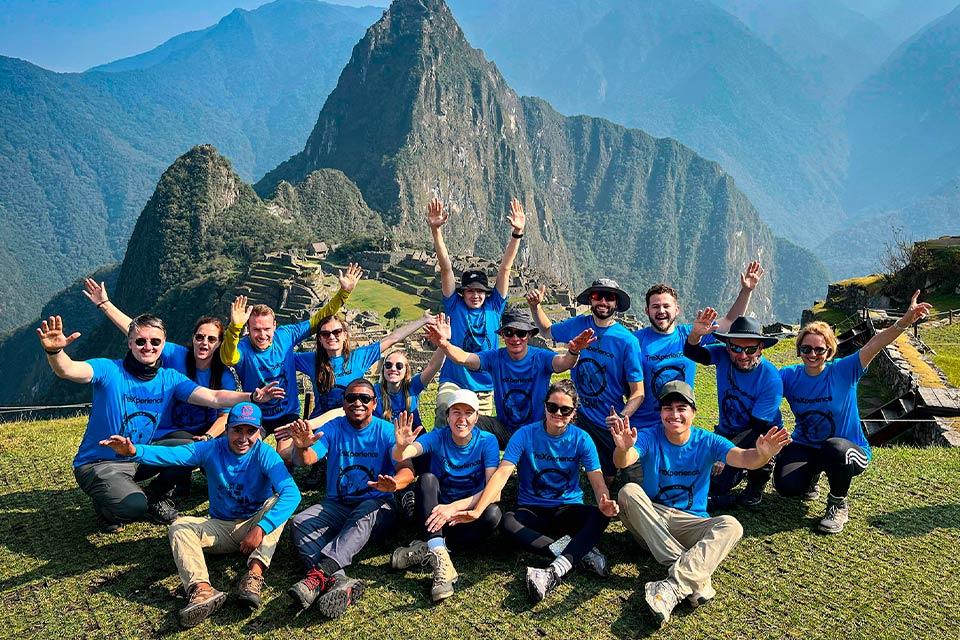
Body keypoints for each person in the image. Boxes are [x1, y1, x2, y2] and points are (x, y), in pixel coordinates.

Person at [36, 314, 283, 532]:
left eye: (155, 342)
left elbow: (214, 397)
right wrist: (55, 353)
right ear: (130, 342)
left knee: (189, 445)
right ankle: (108, 504)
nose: (148, 347)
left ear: (163, 345)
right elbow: (69, 370)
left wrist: (252, 396)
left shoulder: (170, 378)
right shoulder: (108, 370)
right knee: (134, 507)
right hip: (100, 462)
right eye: (141, 341)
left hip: (136, 455)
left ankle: (153, 495)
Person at [98, 402, 301, 628]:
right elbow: (174, 455)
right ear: (227, 430)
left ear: (259, 432)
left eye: (250, 431)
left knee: (275, 503)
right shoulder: (212, 448)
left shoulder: (264, 453)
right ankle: (202, 590)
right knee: (179, 526)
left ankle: (253, 576)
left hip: (254, 524)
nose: (244, 438)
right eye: (237, 430)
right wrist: (135, 451)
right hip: (220, 527)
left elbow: (292, 494)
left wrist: (261, 527)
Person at [611, 381, 790, 627]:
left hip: (692, 522)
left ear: (693, 412)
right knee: (628, 491)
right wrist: (622, 449)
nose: (674, 414)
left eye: (681, 408)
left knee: (732, 525)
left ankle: (673, 587)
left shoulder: (707, 441)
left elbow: (744, 458)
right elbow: (624, 460)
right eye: (668, 408)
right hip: (653, 519)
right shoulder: (650, 435)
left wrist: (762, 454)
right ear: (661, 413)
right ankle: (695, 575)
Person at [774, 291, 931, 533]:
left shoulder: (844, 371)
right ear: (799, 351)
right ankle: (812, 477)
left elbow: (876, 344)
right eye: (806, 349)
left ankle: (838, 504)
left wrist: (905, 321)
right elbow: (764, 386)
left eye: (820, 350)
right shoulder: (789, 376)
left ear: (830, 351)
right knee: (786, 486)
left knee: (834, 448)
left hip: (849, 449)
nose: (813, 354)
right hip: (807, 445)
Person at [450, 380, 619, 604]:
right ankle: (578, 552)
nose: (557, 413)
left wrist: (603, 502)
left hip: (567, 508)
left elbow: (597, 481)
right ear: (545, 406)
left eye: (565, 409)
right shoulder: (525, 434)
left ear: (574, 412)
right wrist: (478, 510)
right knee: (507, 522)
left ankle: (559, 566)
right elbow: (502, 474)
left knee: (600, 515)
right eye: (552, 407)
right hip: (532, 510)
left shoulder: (581, 438)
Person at [84, 278, 237, 504]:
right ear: (192, 339)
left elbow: (224, 414)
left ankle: (182, 483)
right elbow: (138, 333)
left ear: (219, 344)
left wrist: (207, 437)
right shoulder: (176, 355)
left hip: (202, 431)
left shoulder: (223, 376)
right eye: (199, 337)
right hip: (168, 432)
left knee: (207, 446)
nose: (204, 343)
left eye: (211, 339)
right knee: (185, 444)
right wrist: (105, 304)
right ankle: (159, 491)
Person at [285, 379, 414, 618]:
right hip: (339, 505)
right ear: (343, 404)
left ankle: (320, 574)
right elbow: (307, 459)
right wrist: (301, 448)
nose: (358, 402)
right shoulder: (334, 428)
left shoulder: (385, 431)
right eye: (351, 398)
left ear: (374, 404)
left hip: (378, 507)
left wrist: (395, 484)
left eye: (365, 398)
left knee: (366, 509)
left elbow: (408, 470)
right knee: (300, 523)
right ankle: (338, 581)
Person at [220, 263, 362, 434]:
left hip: (288, 413)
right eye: (256, 329)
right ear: (248, 329)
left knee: (287, 453)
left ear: (275, 325)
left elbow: (318, 320)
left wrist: (343, 293)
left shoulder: (286, 335)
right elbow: (228, 358)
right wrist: (234, 327)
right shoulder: (242, 348)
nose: (262, 335)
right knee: (249, 449)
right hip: (256, 412)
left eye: (267, 329)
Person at [527, 278, 643, 484]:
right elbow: (547, 330)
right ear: (591, 300)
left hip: (606, 418)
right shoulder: (579, 325)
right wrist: (535, 307)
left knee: (607, 474)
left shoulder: (627, 341)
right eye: (598, 296)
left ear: (616, 303)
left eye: (610, 297)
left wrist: (621, 417)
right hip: (576, 412)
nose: (603, 302)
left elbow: (638, 392)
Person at [425, 309, 595, 448]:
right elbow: (464, 358)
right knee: (464, 423)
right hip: (505, 429)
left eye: (520, 333)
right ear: (503, 336)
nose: (515, 339)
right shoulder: (495, 357)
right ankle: (461, 467)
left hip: (535, 431)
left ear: (528, 335)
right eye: (509, 332)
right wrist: (444, 343)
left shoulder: (541, 357)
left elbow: (563, 363)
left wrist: (573, 352)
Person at [390, 390, 501, 602]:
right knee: (427, 479)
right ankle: (440, 558)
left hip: (463, 516)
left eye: (468, 413)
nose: (462, 419)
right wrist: (401, 447)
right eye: (456, 412)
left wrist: (454, 508)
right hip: (433, 514)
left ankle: (428, 548)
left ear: (477, 417)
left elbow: (494, 492)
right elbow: (405, 454)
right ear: (447, 416)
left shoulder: (487, 441)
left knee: (493, 514)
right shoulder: (439, 436)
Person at [631, 262, 765, 432]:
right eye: (655, 306)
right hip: (643, 427)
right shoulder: (635, 341)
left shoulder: (692, 333)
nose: (661, 311)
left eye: (666, 306)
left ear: (677, 310)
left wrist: (746, 291)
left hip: (679, 425)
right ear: (646, 311)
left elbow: (730, 322)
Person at [427, 196, 525, 420]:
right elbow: (445, 268)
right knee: (444, 414)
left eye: (480, 291)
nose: (475, 295)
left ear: (486, 293)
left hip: (485, 385)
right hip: (454, 380)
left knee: (477, 435)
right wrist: (436, 231)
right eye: (470, 291)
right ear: (463, 293)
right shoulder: (454, 306)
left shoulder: (494, 306)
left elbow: (505, 268)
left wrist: (517, 234)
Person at [683, 312, 784, 508]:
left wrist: (723, 451)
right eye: (736, 348)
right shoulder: (723, 356)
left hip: (760, 433)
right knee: (713, 483)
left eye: (750, 349)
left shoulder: (771, 379)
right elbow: (692, 352)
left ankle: (757, 479)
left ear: (761, 348)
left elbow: (756, 426)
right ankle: (737, 470)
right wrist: (696, 334)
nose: (742, 355)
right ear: (727, 346)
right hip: (728, 430)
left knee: (760, 448)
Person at [295, 311, 436, 419]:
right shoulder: (310, 360)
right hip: (321, 423)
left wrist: (424, 320)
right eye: (325, 334)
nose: (331, 337)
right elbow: (280, 355)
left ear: (345, 335)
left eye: (337, 332)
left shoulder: (359, 357)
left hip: (354, 422)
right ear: (319, 339)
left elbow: (393, 338)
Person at [373, 344, 445, 428]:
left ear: (406, 370)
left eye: (399, 366)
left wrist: (443, 342)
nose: (393, 369)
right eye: (388, 365)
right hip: (386, 439)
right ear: (383, 369)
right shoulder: (374, 392)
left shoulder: (413, 386)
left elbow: (433, 366)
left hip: (415, 437)